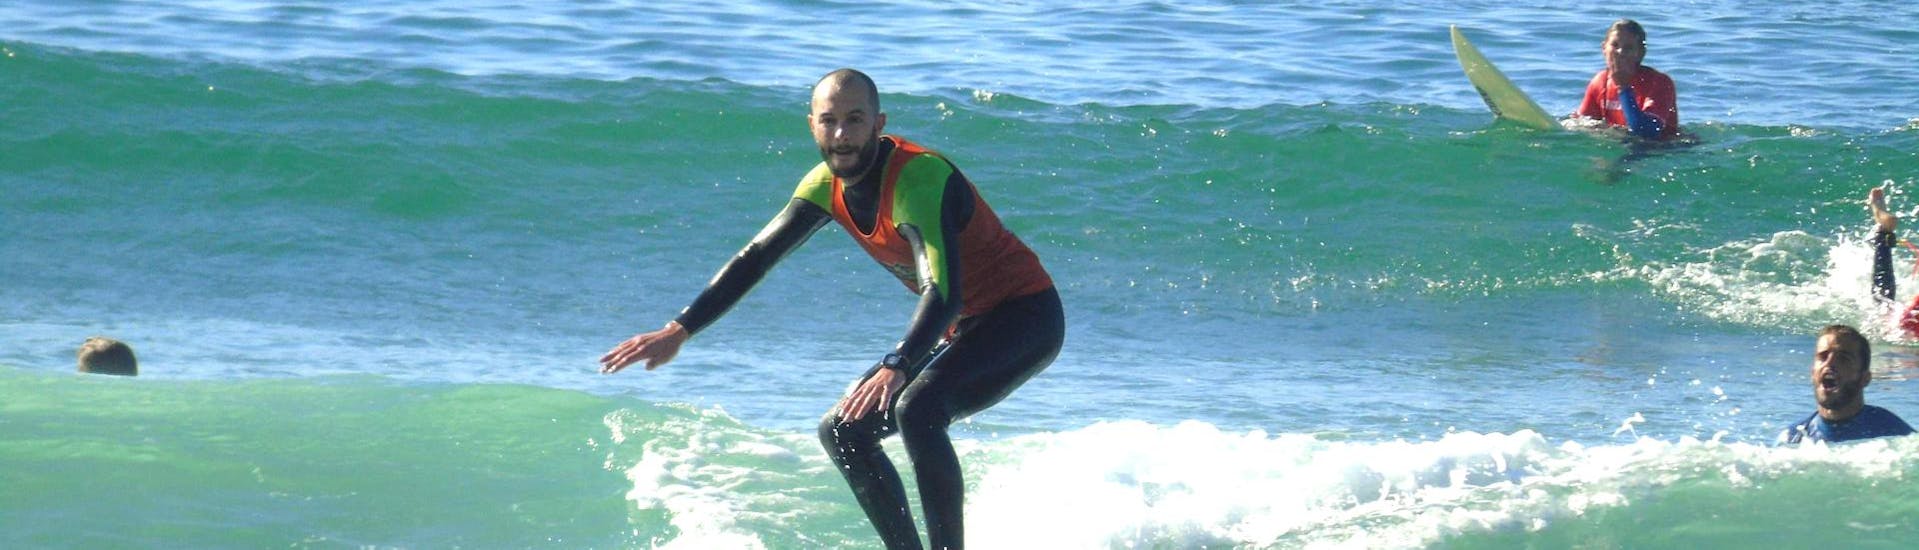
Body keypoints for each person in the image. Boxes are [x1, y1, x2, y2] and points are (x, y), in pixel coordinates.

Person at [599, 68, 1063, 549]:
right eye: (829, 121)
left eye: (855, 120)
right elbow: (755, 258)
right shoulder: (825, 186)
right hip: (963, 326)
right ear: (812, 126)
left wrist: (897, 364)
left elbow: (943, 293)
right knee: (843, 430)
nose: (842, 135)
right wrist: (679, 329)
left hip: (1025, 316)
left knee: (918, 407)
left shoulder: (919, 178)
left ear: (879, 123)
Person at [1779, 324, 1914, 444]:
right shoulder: (1793, 439)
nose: (1829, 363)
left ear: (1865, 378)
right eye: (1823, 357)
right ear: (1812, 372)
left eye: (1843, 358)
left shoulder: (1893, 432)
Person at [1574, 19, 1679, 140]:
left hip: (1663, 149)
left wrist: (1623, 88)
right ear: (1604, 48)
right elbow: (1581, 122)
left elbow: (1647, 132)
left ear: (1640, 53)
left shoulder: (1660, 82)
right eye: (1615, 45)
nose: (1621, 52)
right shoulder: (1599, 82)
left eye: (1628, 48)